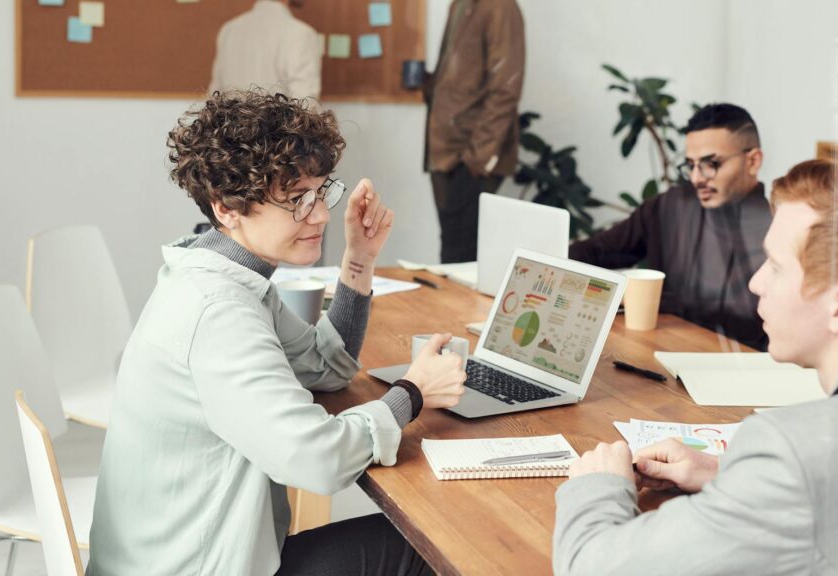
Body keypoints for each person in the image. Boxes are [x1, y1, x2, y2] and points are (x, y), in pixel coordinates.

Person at [87, 90, 466, 575]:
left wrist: (360, 259)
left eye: (322, 192)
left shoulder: (224, 276)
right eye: (296, 200)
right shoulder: (219, 313)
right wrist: (412, 393)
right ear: (227, 206)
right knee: (435, 544)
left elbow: (325, 366)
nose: (323, 214)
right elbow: (317, 460)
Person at [553, 155, 838, 575]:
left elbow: (590, 567)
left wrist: (598, 486)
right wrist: (731, 476)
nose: (756, 282)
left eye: (776, 267)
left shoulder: (791, 449)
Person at [570, 103, 770, 350]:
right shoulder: (671, 205)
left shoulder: (778, 231)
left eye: (711, 164)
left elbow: (742, 320)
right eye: (691, 165)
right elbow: (595, 252)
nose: (697, 178)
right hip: (655, 354)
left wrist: (652, 300)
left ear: (753, 161)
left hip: (738, 371)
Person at [424, 0, 525, 264]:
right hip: (444, 150)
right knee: (452, 253)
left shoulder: (500, 7)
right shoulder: (460, 4)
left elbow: (506, 89)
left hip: (471, 154)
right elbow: (462, 78)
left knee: (461, 256)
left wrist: (479, 158)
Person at [208, 0, 320, 99]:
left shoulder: (229, 30)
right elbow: (306, 103)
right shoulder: (301, 33)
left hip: (230, 122)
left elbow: (215, 93)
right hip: (277, 123)